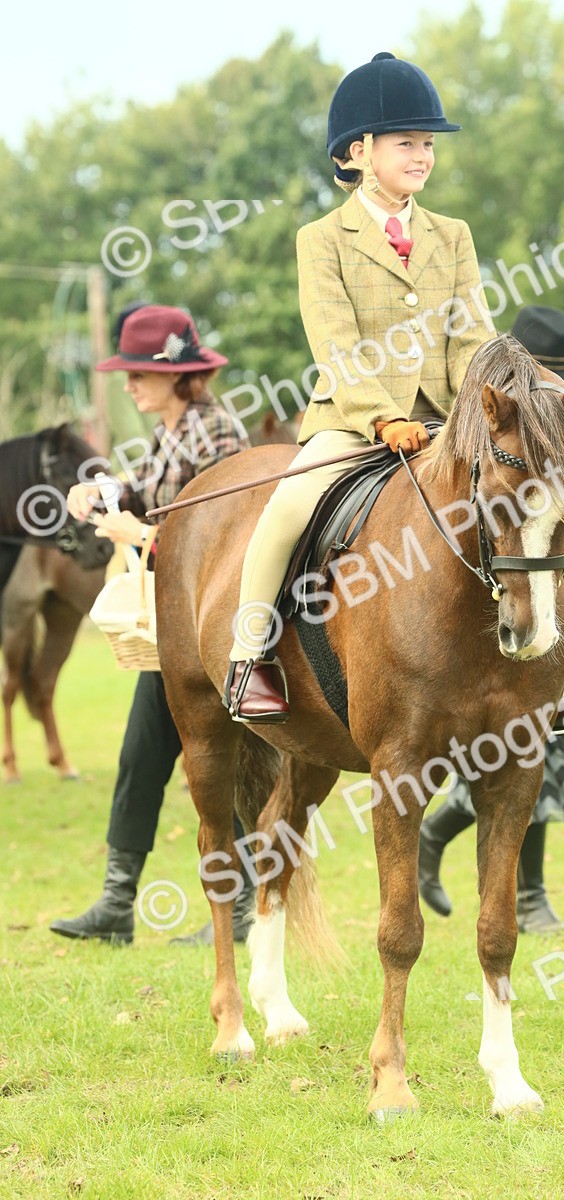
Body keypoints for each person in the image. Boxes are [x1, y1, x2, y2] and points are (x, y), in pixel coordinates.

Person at [222, 51, 494, 721]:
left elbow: (470, 337)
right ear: (358, 151)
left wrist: (484, 412)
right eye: (408, 142)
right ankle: (248, 656)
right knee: (287, 509)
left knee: (527, 503)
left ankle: (553, 666)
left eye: (428, 144)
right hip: (350, 419)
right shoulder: (321, 239)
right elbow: (335, 344)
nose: (423, 155)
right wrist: (378, 417)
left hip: (444, 421)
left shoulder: (453, 235)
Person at [418, 305, 564, 934]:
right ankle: (258, 648)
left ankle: (555, 676)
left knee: (532, 749)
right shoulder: (493, 406)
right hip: (420, 443)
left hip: (534, 569)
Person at [50, 305, 252, 945]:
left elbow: (229, 536)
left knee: (222, 766)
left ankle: (242, 908)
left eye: (139, 372)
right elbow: (143, 490)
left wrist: (138, 535)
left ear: (179, 376)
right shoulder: (174, 429)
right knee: (141, 758)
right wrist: (100, 490)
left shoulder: (217, 433)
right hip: (173, 634)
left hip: (212, 633)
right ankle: (116, 904)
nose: (129, 383)